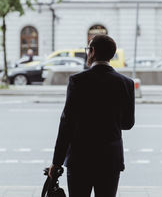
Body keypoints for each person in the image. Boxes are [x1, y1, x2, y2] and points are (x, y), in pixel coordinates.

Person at [48, 34, 135, 197]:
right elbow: (128, 123)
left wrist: (56, 162)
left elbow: (66, 124)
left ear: (93, 51)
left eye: (88, 49)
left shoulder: (78, 81)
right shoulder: (126, 83)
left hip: (80, 159)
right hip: (110, 159)